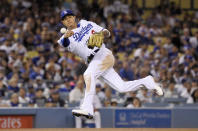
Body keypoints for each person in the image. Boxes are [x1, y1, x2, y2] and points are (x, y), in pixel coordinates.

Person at [57, 9, 163, 119]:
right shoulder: (64, 38)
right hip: (94, 62)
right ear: (63, 23)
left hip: (102, 54)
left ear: (74, 17)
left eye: (69, 17)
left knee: (88, 75)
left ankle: (87, 108)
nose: (68, 20)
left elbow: (106, 32)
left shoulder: (86, 23)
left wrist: (101, 34)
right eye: (65, 19)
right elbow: (65, 43)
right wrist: (66, 36)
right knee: (122, 87)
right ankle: (147, 81)